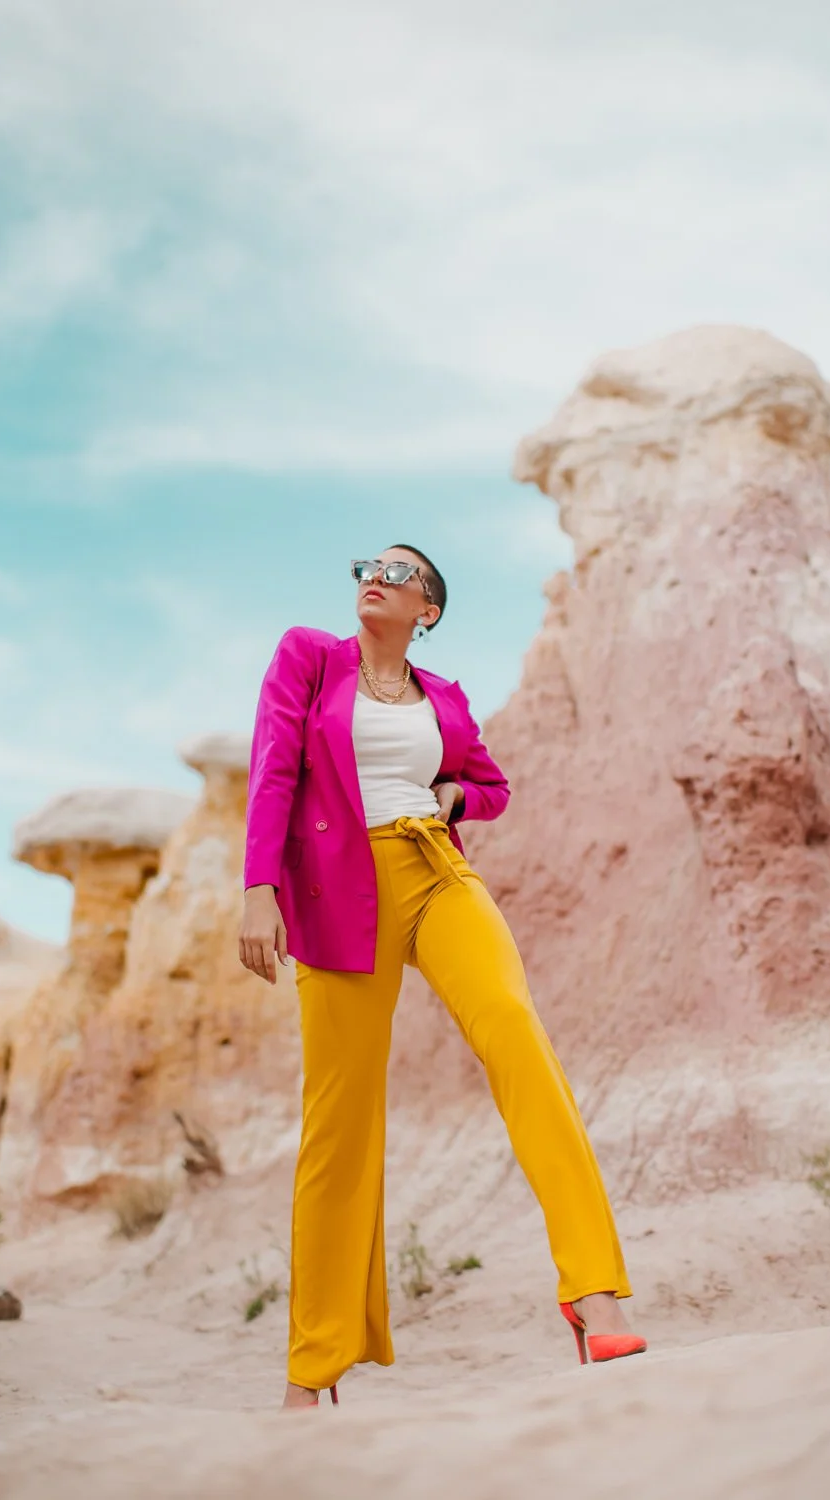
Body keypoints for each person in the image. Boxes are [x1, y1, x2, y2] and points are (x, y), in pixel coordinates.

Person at [238, 544, 645, 1409]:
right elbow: (274, 769)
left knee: (515, 1034)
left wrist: (456, 798)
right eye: (365, 566)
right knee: (338, 1123)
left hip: (437, 874)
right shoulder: (308, 657)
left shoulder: (444, 698)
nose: (374, 577)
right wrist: (256, 892)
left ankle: (591, 1290)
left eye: (400, 571)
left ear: (429, 610)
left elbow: (488, 786)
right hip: (335, 890)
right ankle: (311, 1373)